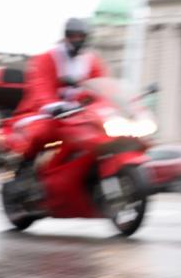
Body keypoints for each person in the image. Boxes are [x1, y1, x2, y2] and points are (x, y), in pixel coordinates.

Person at [8, 17, 107, 167]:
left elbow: (101, 88)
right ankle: (29, 167)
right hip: (46, 114)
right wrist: (53, 106)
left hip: (81, 117)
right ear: (66, 36)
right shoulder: (48, 58)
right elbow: (41, 88)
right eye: (73, 35)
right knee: (44, 132)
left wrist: (105, 105)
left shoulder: (92, 62)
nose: (77, 40)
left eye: (81, 36)